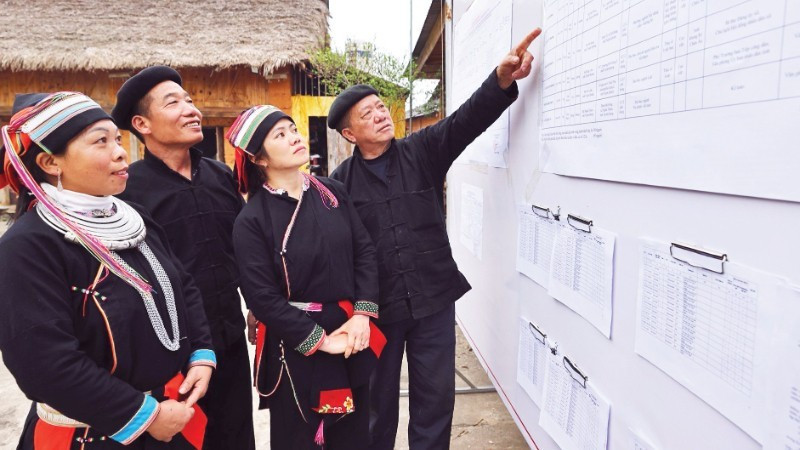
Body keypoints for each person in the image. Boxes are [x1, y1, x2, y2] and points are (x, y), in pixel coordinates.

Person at [327, 28, 543, 449]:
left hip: (433, 303)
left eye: (380, 107)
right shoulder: (340, 185)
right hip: (378, 313)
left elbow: (466, 120)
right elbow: (336, 253)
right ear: (349, 134)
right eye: (366, 113)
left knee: (434, 403)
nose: (380, 114)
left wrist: (500, 80)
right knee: (375, 407)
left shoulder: (421, 151)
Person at [0, 92, 216, 448]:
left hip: (171, 419)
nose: (120, 151)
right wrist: (146, 415)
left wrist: (202, 355)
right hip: (93, 434)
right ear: (50, 162)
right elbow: (45, 364)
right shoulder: (28, 248)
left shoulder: (135, 219)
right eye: (101, 141)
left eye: (117, 139)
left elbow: (181, 284)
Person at [111, 66, 255, 449]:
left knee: (237, 434)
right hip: (169, 347)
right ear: (142, 123)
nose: (192, 110)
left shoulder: (220, 176)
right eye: (173, 103)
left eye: (190, 100)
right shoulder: (127, 191)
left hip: (229, 336)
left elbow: (242, 249)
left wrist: (257, 304)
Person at [228, 105, 385, 448]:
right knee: (303, 438)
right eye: (280, 135)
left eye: (293, 129)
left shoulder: (332, 193)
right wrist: (322, 341)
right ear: (259, 159)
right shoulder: (252, 220)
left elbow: (365, 253)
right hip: (296, 342)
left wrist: (362, 315)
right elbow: (261, 298)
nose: (294, 137)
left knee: (354, 435)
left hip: (350, 334)